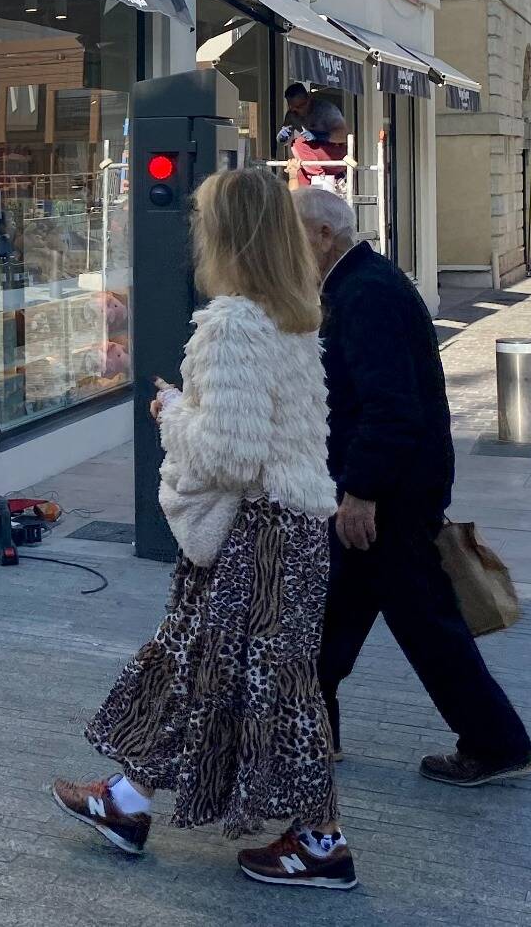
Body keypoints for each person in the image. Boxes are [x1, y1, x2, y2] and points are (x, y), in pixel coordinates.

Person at [52, 168, 355, 891]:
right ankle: (127, 802)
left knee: (265, 687)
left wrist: (172, 414)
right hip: (292, 530)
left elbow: (229, 453)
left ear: (226, 234)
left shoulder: (234, 323)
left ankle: (320, 841)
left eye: (203, 220)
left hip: (256, 535)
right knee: (196, 666)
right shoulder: (290, 313)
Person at [293, 186, 531, 790]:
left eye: (292, 236)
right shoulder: (359, 284)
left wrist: (361, 492)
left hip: (389, 499)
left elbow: (391, 408)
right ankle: (308, 731)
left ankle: (497, 743)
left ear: (323, 237)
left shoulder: (366, 293)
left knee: (428, 627)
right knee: (328, 619)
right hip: (384, 492)